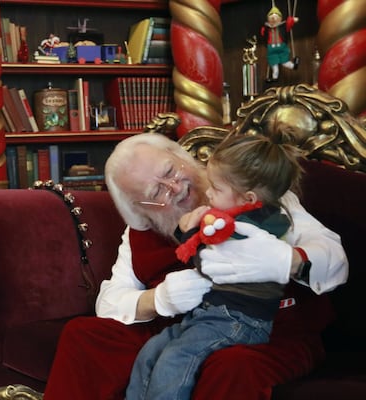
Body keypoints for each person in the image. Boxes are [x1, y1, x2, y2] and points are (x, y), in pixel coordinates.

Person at [43, 132, 348, 400]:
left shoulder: (259, 199)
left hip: (269, 332)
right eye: (156, 192)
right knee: (83, 335)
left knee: (228, 366)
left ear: (183, 157)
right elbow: (109, 301)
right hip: (185, 329)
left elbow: (333, 259)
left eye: (171, 170)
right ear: (140, 209)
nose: (174, 187)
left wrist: (285, 260)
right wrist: (159, 299)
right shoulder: (140, 233)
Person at [126, 134, 305, 399]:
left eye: (217, 189)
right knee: (152, 350)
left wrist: (187, 232)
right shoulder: (231, 219)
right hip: (212, 314)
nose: (208, 193)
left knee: (176, 358)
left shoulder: (255, 226)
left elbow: (210, 264)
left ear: (248, 197)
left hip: (241, 321)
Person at [261, 2, 299, 82]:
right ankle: (274, 77)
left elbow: (288, 23)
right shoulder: (267, 28)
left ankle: (294, 66)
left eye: (275, 17)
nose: (274, 19)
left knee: (284, 62)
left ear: (280, 18)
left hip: (282, 48)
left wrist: (293, 20)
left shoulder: (283, 26)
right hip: (272, 50)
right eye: (271, 17)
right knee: (274, 64)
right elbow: (263, 34)